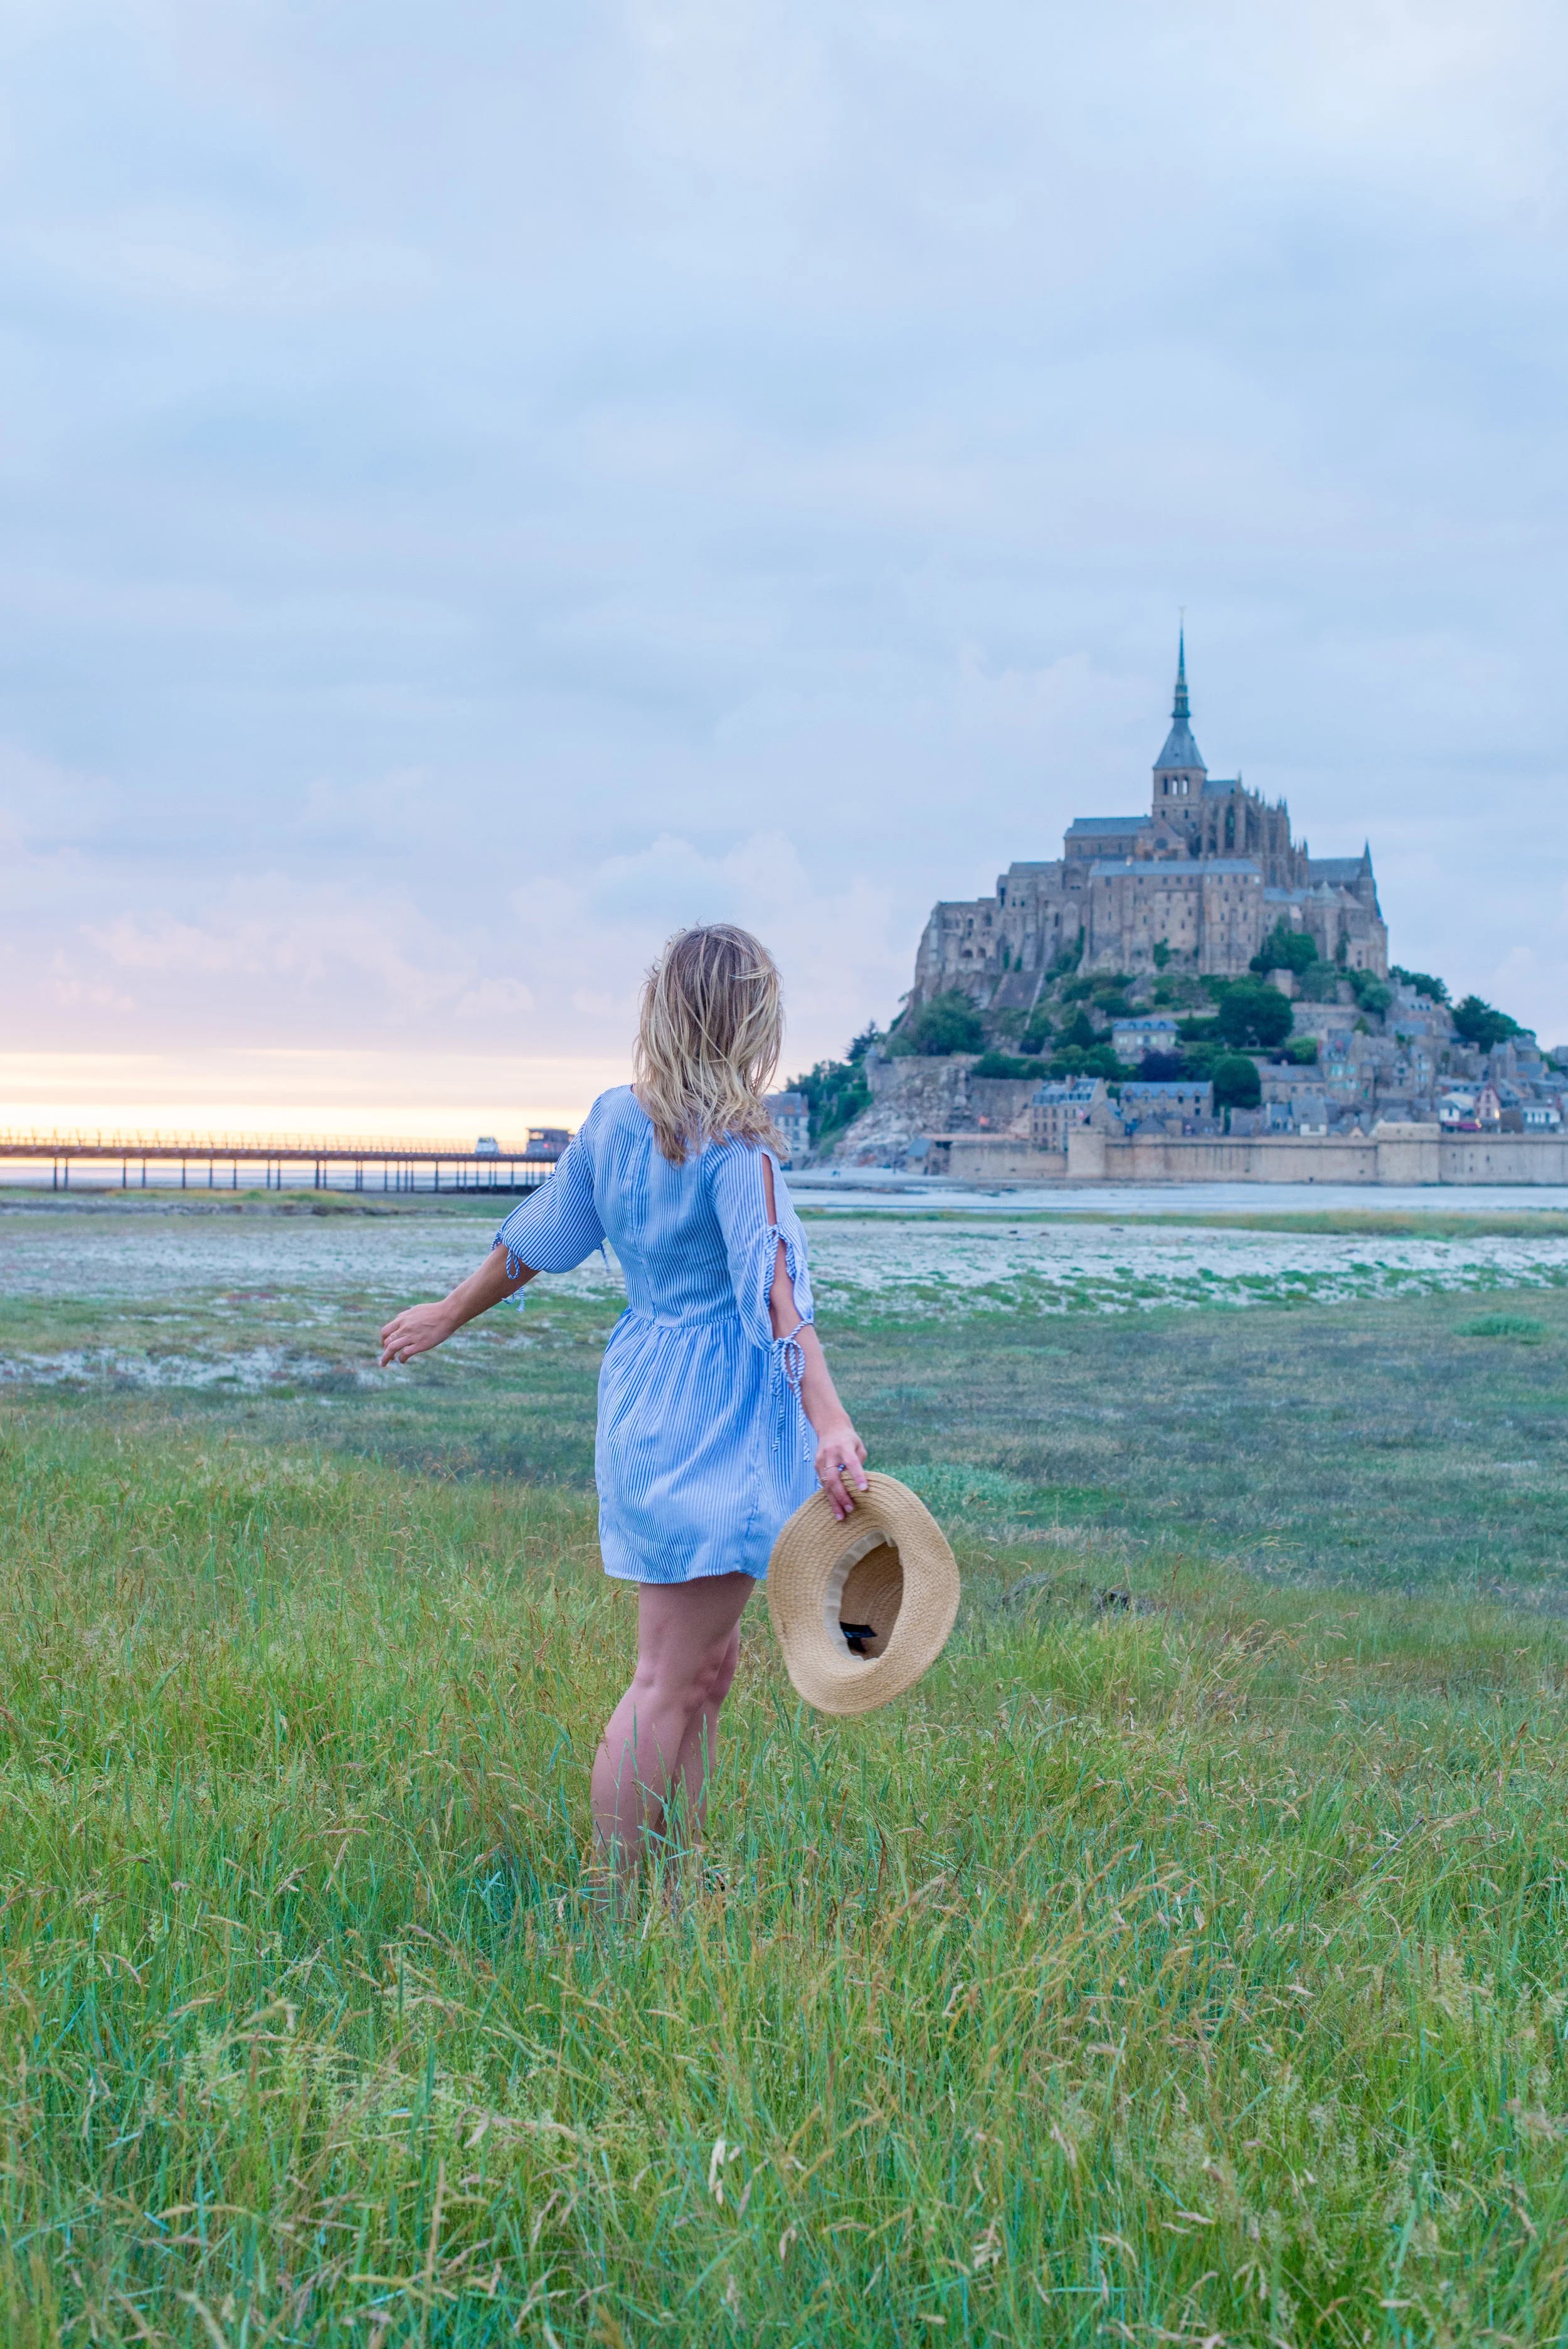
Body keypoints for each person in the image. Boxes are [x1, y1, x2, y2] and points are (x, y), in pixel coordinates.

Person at [378, 923, 869, 1889]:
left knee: (705, 1671)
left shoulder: (615, 1120)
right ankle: (614, 1907)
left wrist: (448, 1312)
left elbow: (535, 1242)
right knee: (666, 1680)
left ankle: (675, 1887)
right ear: (751, 1024)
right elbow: (777, 1299)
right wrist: (831, 1422)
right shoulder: (738, 1154)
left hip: (647, 1401)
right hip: (716, 1422)